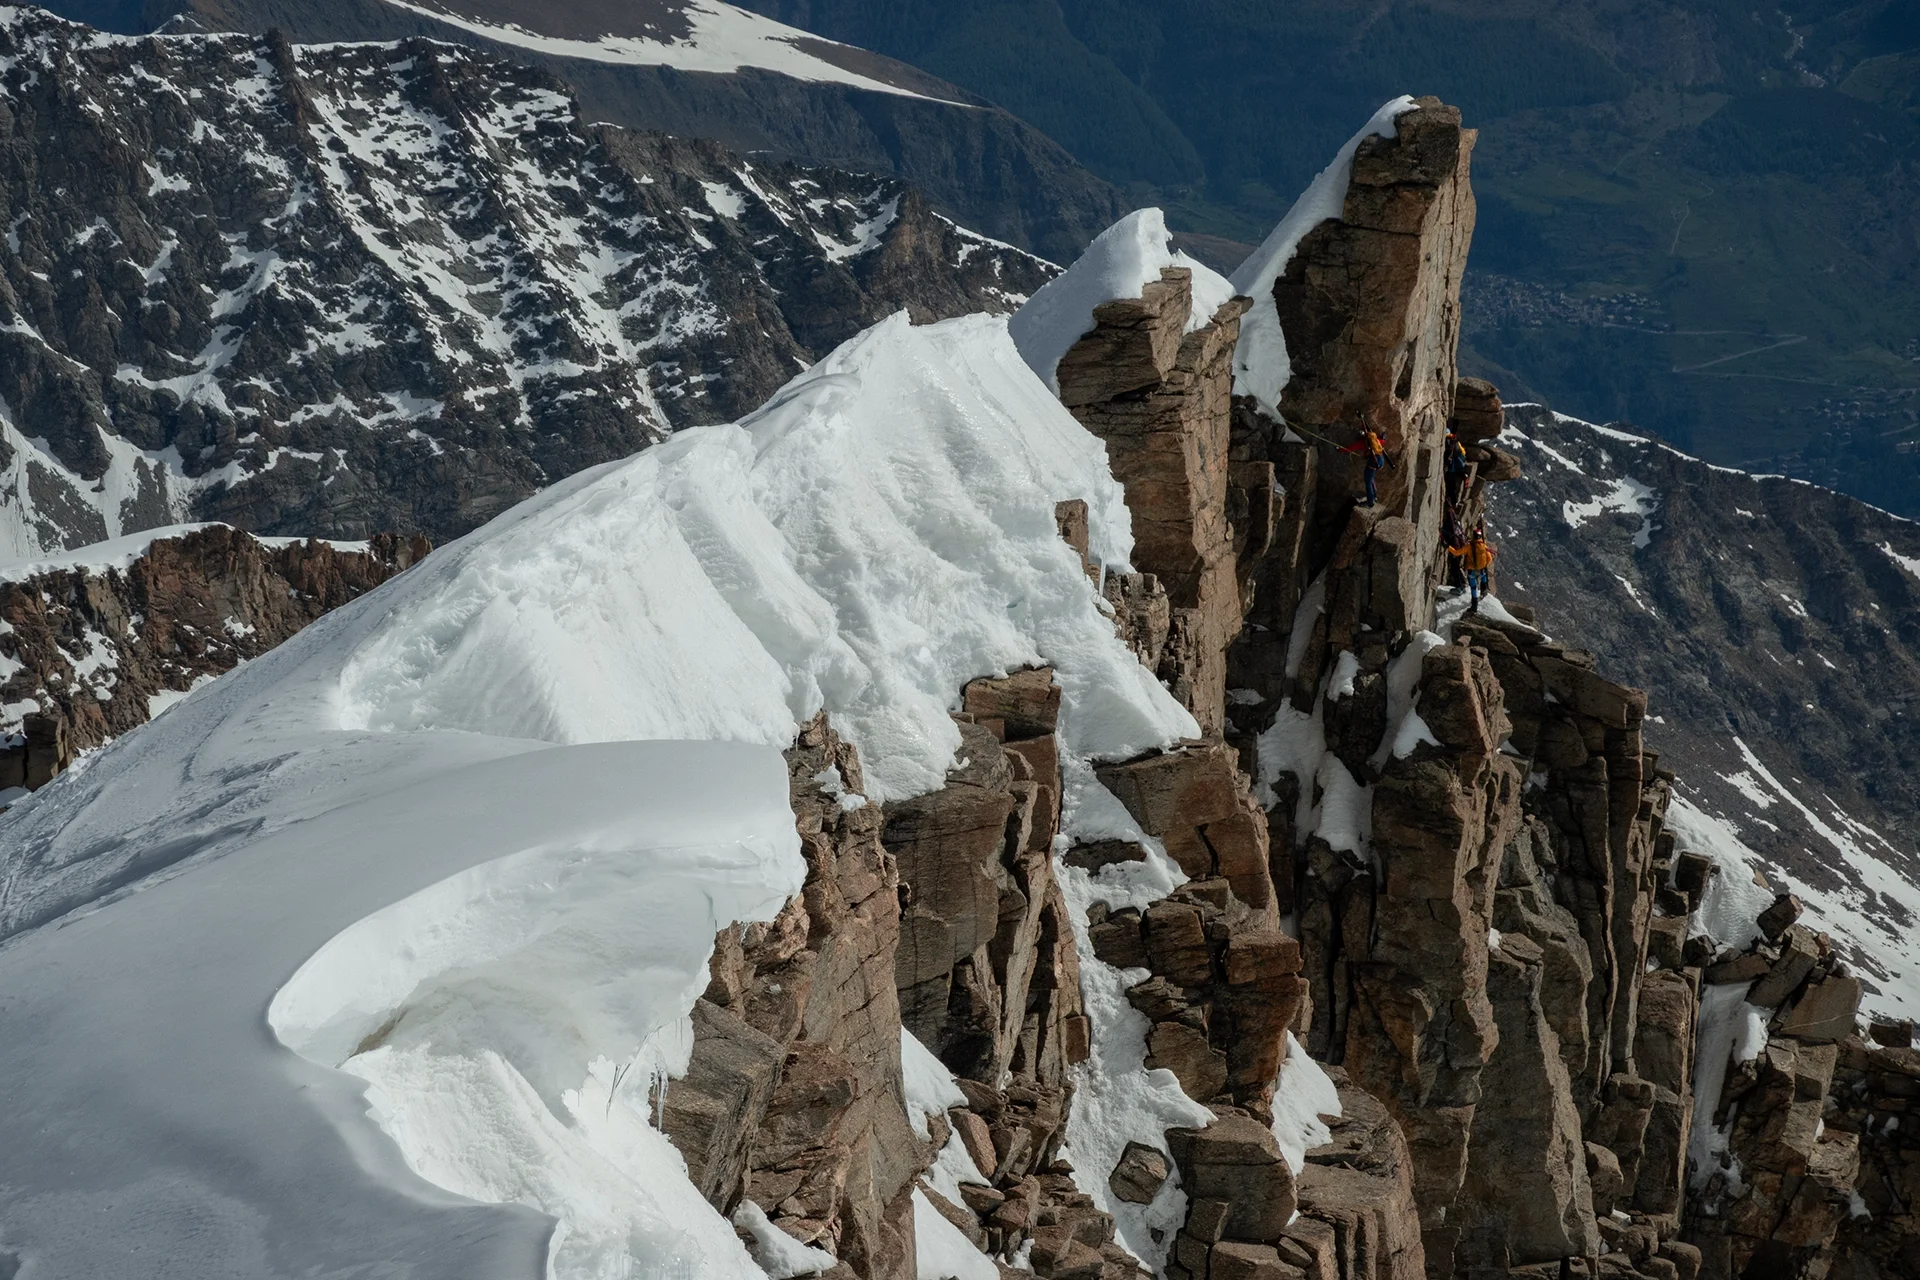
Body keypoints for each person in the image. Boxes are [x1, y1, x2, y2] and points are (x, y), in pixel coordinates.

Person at [1338, 417, 1394, 507]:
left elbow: (1349, 449)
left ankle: (1370, 502)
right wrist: (1384, 436)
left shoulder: (1362, 443)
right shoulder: (1375, 441)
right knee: (1371, 478)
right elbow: (1383, 441)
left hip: (1373, 461)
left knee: (1368, 480)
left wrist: (1339, 450)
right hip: (1380, 459)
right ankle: (1374, 496)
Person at [1449, 523, 1497, 608]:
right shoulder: (1483, 546)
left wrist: (1447, 546)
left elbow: (1456, 552)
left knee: (1473, 587)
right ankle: (1483, 591)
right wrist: (1483, 565)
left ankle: (1474, 605)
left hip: (1472, 570)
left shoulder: (1469, 547)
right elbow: (1489, 558)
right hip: (1482, 569)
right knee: (1483, 579)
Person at [1443, 431, 1469, 505]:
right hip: (1453, 468)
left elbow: (1458, 460)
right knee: (1452, 487)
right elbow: (1460, 460)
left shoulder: (1452, 444)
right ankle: (1452, 503)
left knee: (1451, 486)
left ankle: (1452, 502)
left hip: (1451, 469)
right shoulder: (1455, 443)